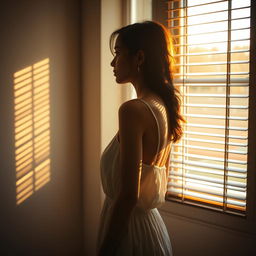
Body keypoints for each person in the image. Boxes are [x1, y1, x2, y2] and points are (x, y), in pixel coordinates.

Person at [97, 21, 184, 256]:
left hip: (129, 235)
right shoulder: (163, 106)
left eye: (118, 53)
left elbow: (127, 196)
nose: (113, 62)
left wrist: (106, 249)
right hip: (151, 230)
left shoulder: (133, 110)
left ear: (139, 58)